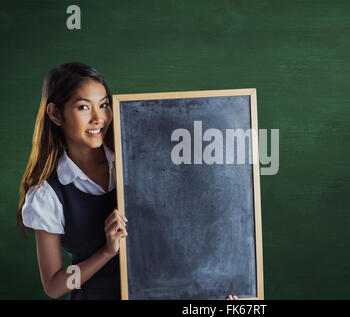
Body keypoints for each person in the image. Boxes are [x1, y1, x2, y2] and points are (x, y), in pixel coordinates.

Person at [18, 62, 239, 300]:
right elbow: (55, 285)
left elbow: (185, 240)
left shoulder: (143, 163)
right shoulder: (48, 193)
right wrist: (106, 252)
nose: (98, 118)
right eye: (83, 107)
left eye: (103, 105)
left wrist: (214, 293)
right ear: (55, 114)